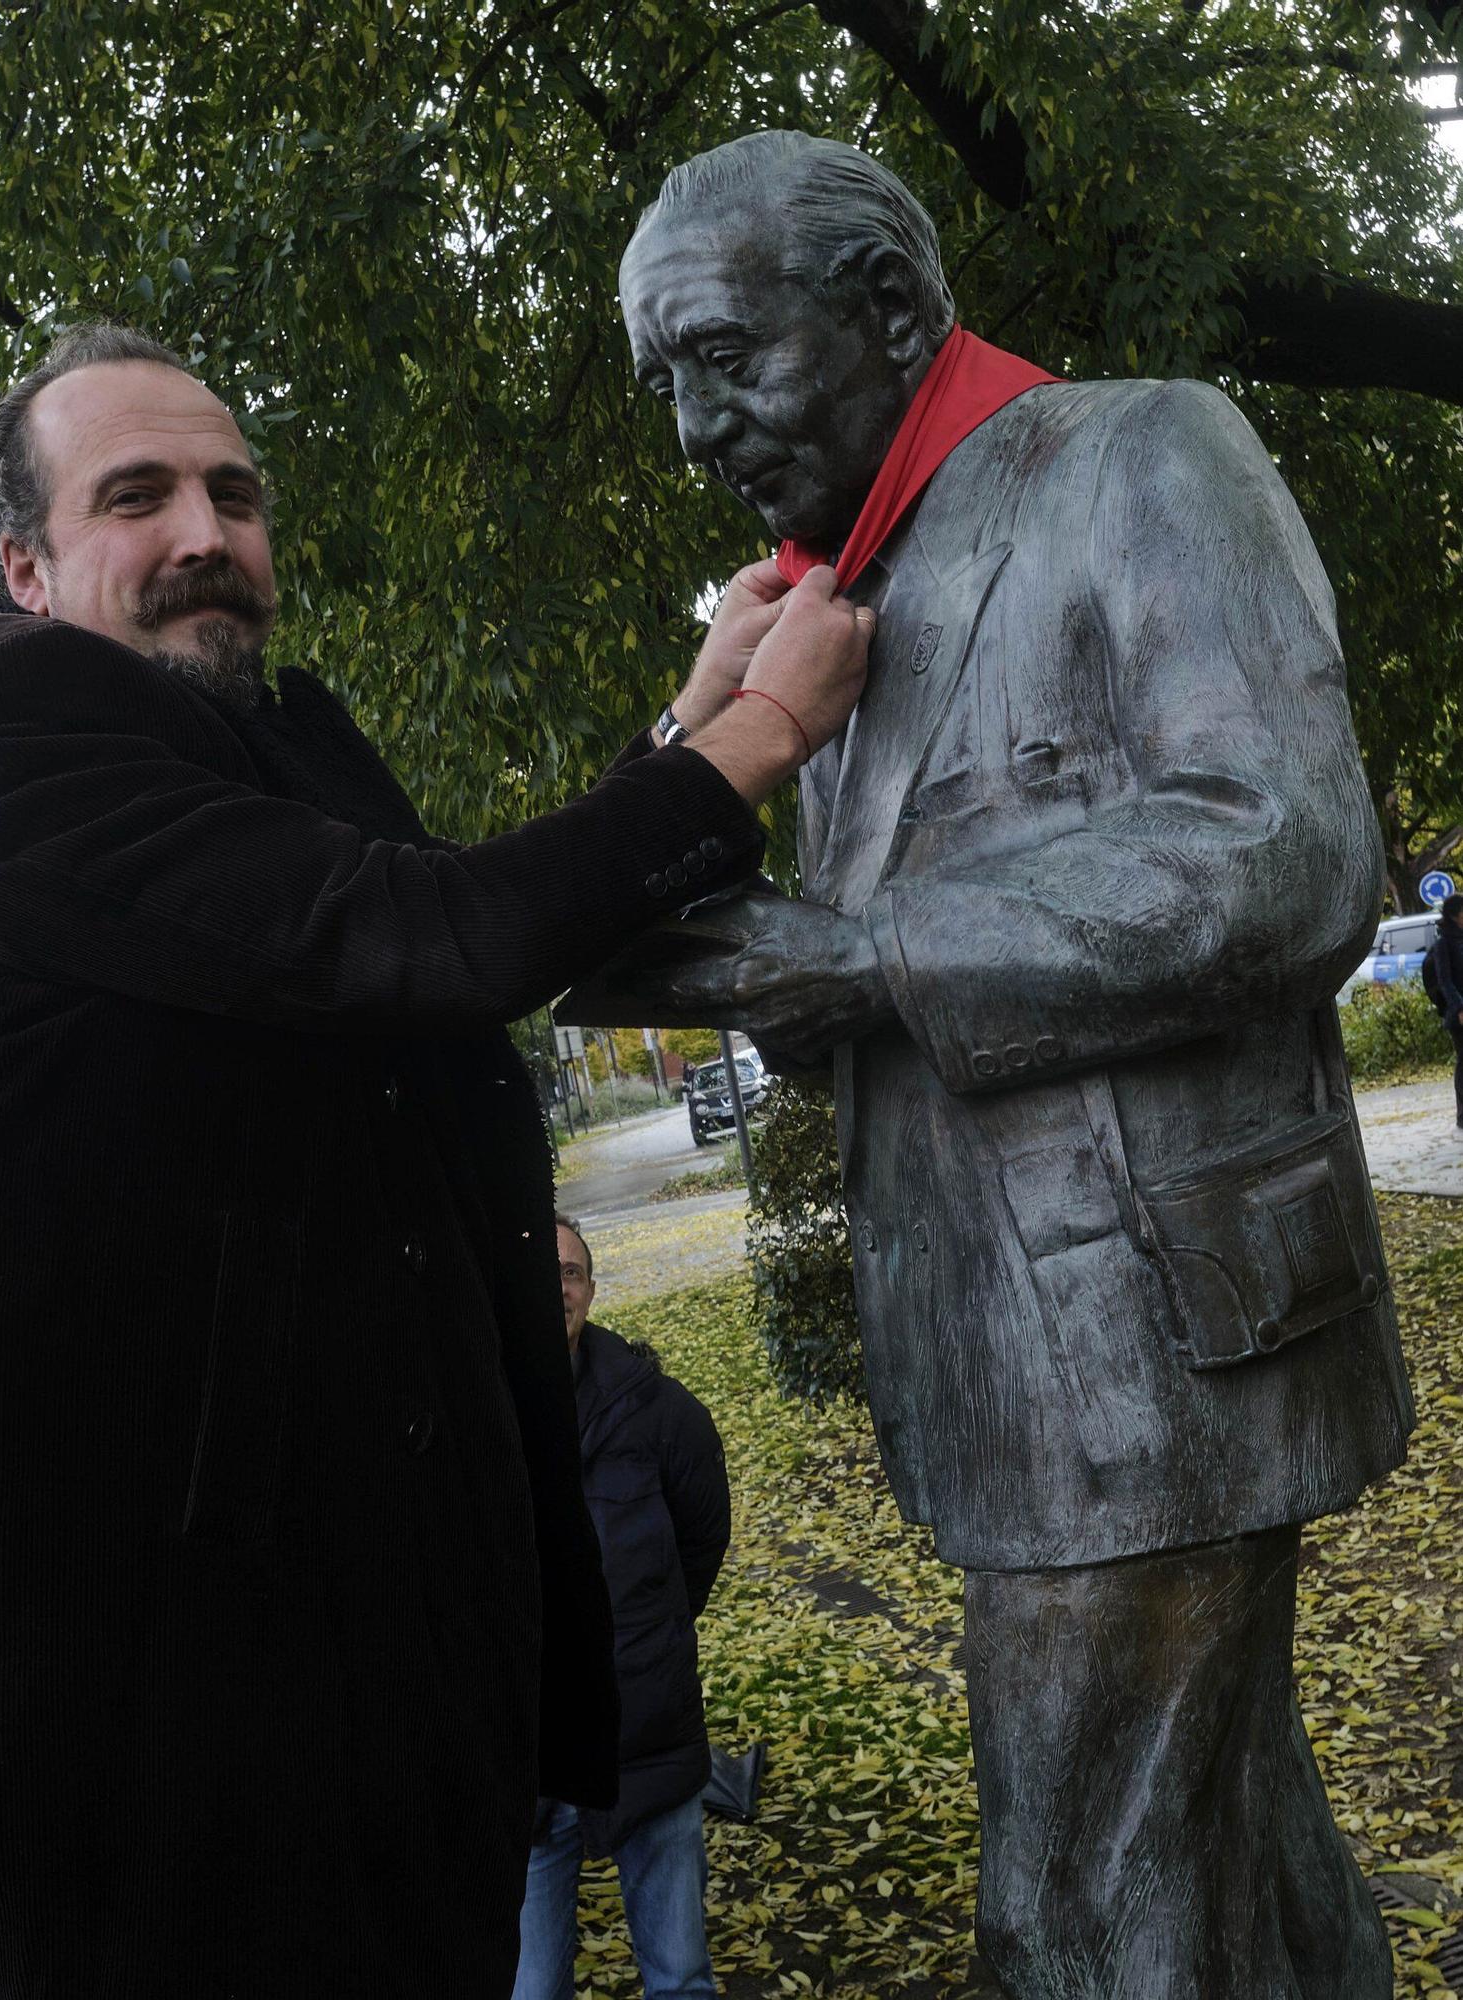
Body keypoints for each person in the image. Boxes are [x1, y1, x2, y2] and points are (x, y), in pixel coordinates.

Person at [0, 321, 873, 1998]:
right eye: (133, 498)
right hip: (109, 1747)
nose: (205, 534)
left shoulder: (274, 742)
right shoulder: (6, 720)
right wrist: (757, 746)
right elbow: (418, 940)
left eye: (235, 492)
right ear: (22, 565)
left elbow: (425, 964)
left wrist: (687, 717)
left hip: (353, 1715)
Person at [589, 131, 1414, 1998]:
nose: (693, 426)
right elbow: (772, 969)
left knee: (1074, 1901)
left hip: (1158, 1352)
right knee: (1237, 1861)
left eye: (723, 353)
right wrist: (706, 738)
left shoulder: (1138, 455)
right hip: (1013, 1378)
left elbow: (1283, 847)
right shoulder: (834, 603)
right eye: (663, 383)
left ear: (883, 306)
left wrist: (867, 957)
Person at [512, 1216, 729, 2000]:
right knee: (532, 1990)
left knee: (679, 1978)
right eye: (537, 1271)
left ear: (592, 1290)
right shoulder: (481, 1416)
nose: (555, 1288)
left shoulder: (660, 1412)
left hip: (648, 1742)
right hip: (530, 1763)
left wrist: (648, 1636)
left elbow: (700, 1544)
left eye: (569, 1272)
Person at [1422, 891, 1463, 1128]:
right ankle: (1462, 1115)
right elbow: (1445, 980)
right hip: (1458, 1014)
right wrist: (1458, 1007)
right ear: (1454, 915)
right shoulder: (1443, 944)